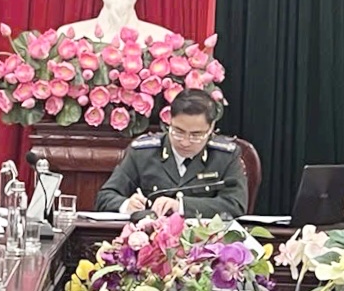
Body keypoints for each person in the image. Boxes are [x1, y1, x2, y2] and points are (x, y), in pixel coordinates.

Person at [96, 89, 248, 218]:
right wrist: (126, 205)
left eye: (196, 135)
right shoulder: (143, 153)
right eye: (178, 131)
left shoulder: (225, 156)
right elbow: (104, 198)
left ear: (211, 128)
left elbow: (235, 204)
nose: (185, 142)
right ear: (169, 121)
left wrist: (180, 207)